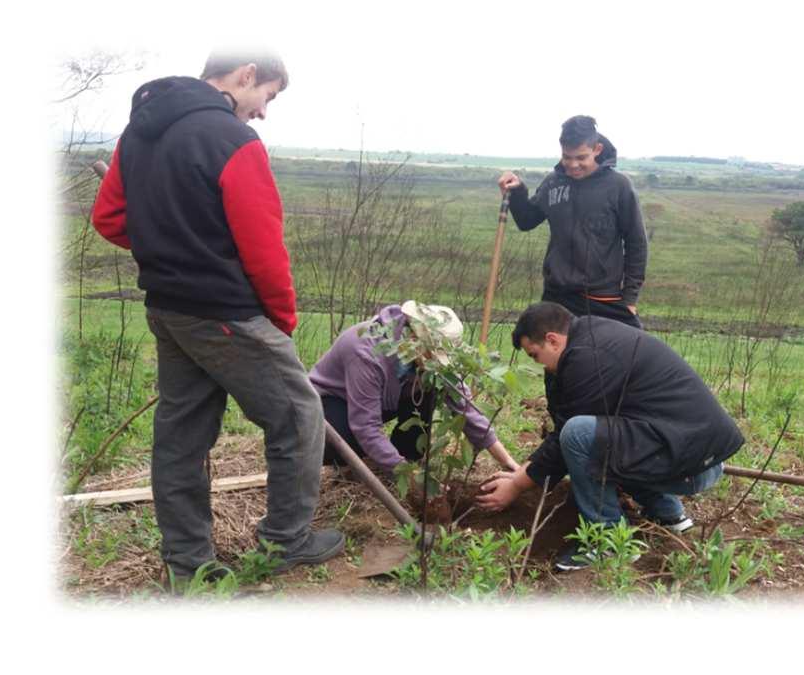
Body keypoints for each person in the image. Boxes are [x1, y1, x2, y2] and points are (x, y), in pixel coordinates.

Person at [91, 50, 344, 584]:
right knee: (299, 417)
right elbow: (262, 244)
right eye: (267, 96)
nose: (264, 112)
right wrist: (282, 316)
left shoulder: (139, 132)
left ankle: (188, 563)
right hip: (227, 313)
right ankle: (286, 541)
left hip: (168, 308)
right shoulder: (233, 140)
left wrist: (168, 249)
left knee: (181, 438)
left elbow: (109, 217)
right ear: (246, 74)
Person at [476, 302, 744, 571]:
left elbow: (566, 437)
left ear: (552, 340)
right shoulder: (591, 339)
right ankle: (667, 514)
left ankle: (609, 540)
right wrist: (524, 472)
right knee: (604, 436)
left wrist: (518, 484)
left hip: (693, 467)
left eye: (535, 355)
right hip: (690, 453)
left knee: (579, 434)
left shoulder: (586, 357)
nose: (537, 364)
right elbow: (568, 419)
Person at [309, 301, 519, 474]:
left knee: (430, 384)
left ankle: (405, 458)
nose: (436, 361)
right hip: (330, 404)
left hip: (378, 402)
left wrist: (507, 461)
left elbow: (465, 407)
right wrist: (407, 477)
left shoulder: (424, 356)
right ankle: (354, 466)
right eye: (433, 355)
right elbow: (365, 425)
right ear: (413, 338)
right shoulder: (366, 352)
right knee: (347, 444)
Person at [497, 115, 648, 329]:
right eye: (567, 157)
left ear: (597, 149)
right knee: (558, 361)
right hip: (556, 297)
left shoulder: (619, 186)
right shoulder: (553, 182)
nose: (573, 165)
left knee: (615, 360)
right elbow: (527, 220)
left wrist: (630, 299)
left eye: (581, 157)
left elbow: (637, 244)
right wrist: (518, 191)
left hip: (603, 297)